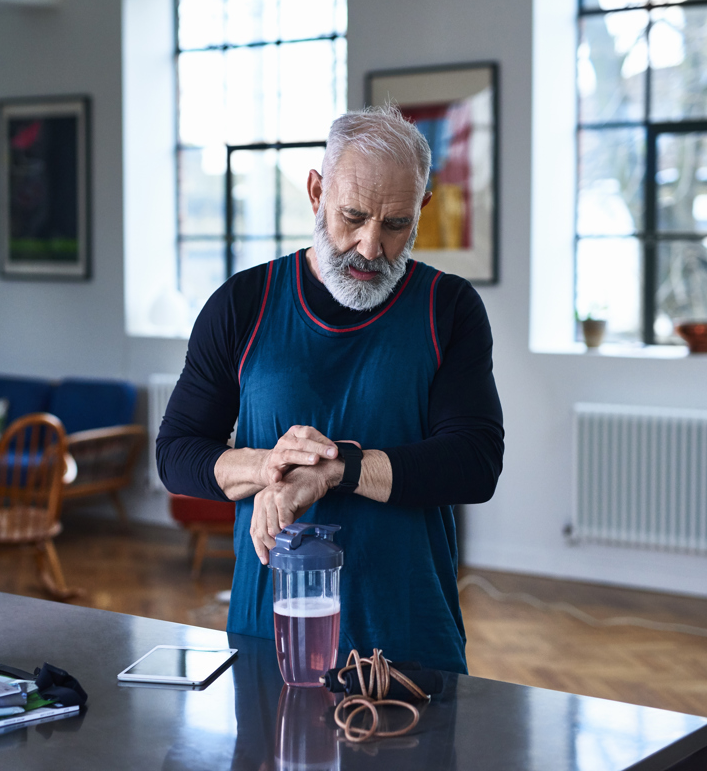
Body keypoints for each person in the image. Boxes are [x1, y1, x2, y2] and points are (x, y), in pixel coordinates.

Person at [157, 105, 504, 674]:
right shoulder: (243, 304)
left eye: (395, 225)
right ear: (316, 192)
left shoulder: (450, 309)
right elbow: (175, 455)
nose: (370, 247)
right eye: (354, 216)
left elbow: (476, 463)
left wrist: (335, 469)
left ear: (422, 209)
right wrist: (271, 464)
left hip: (410, 643)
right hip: (271, 640)